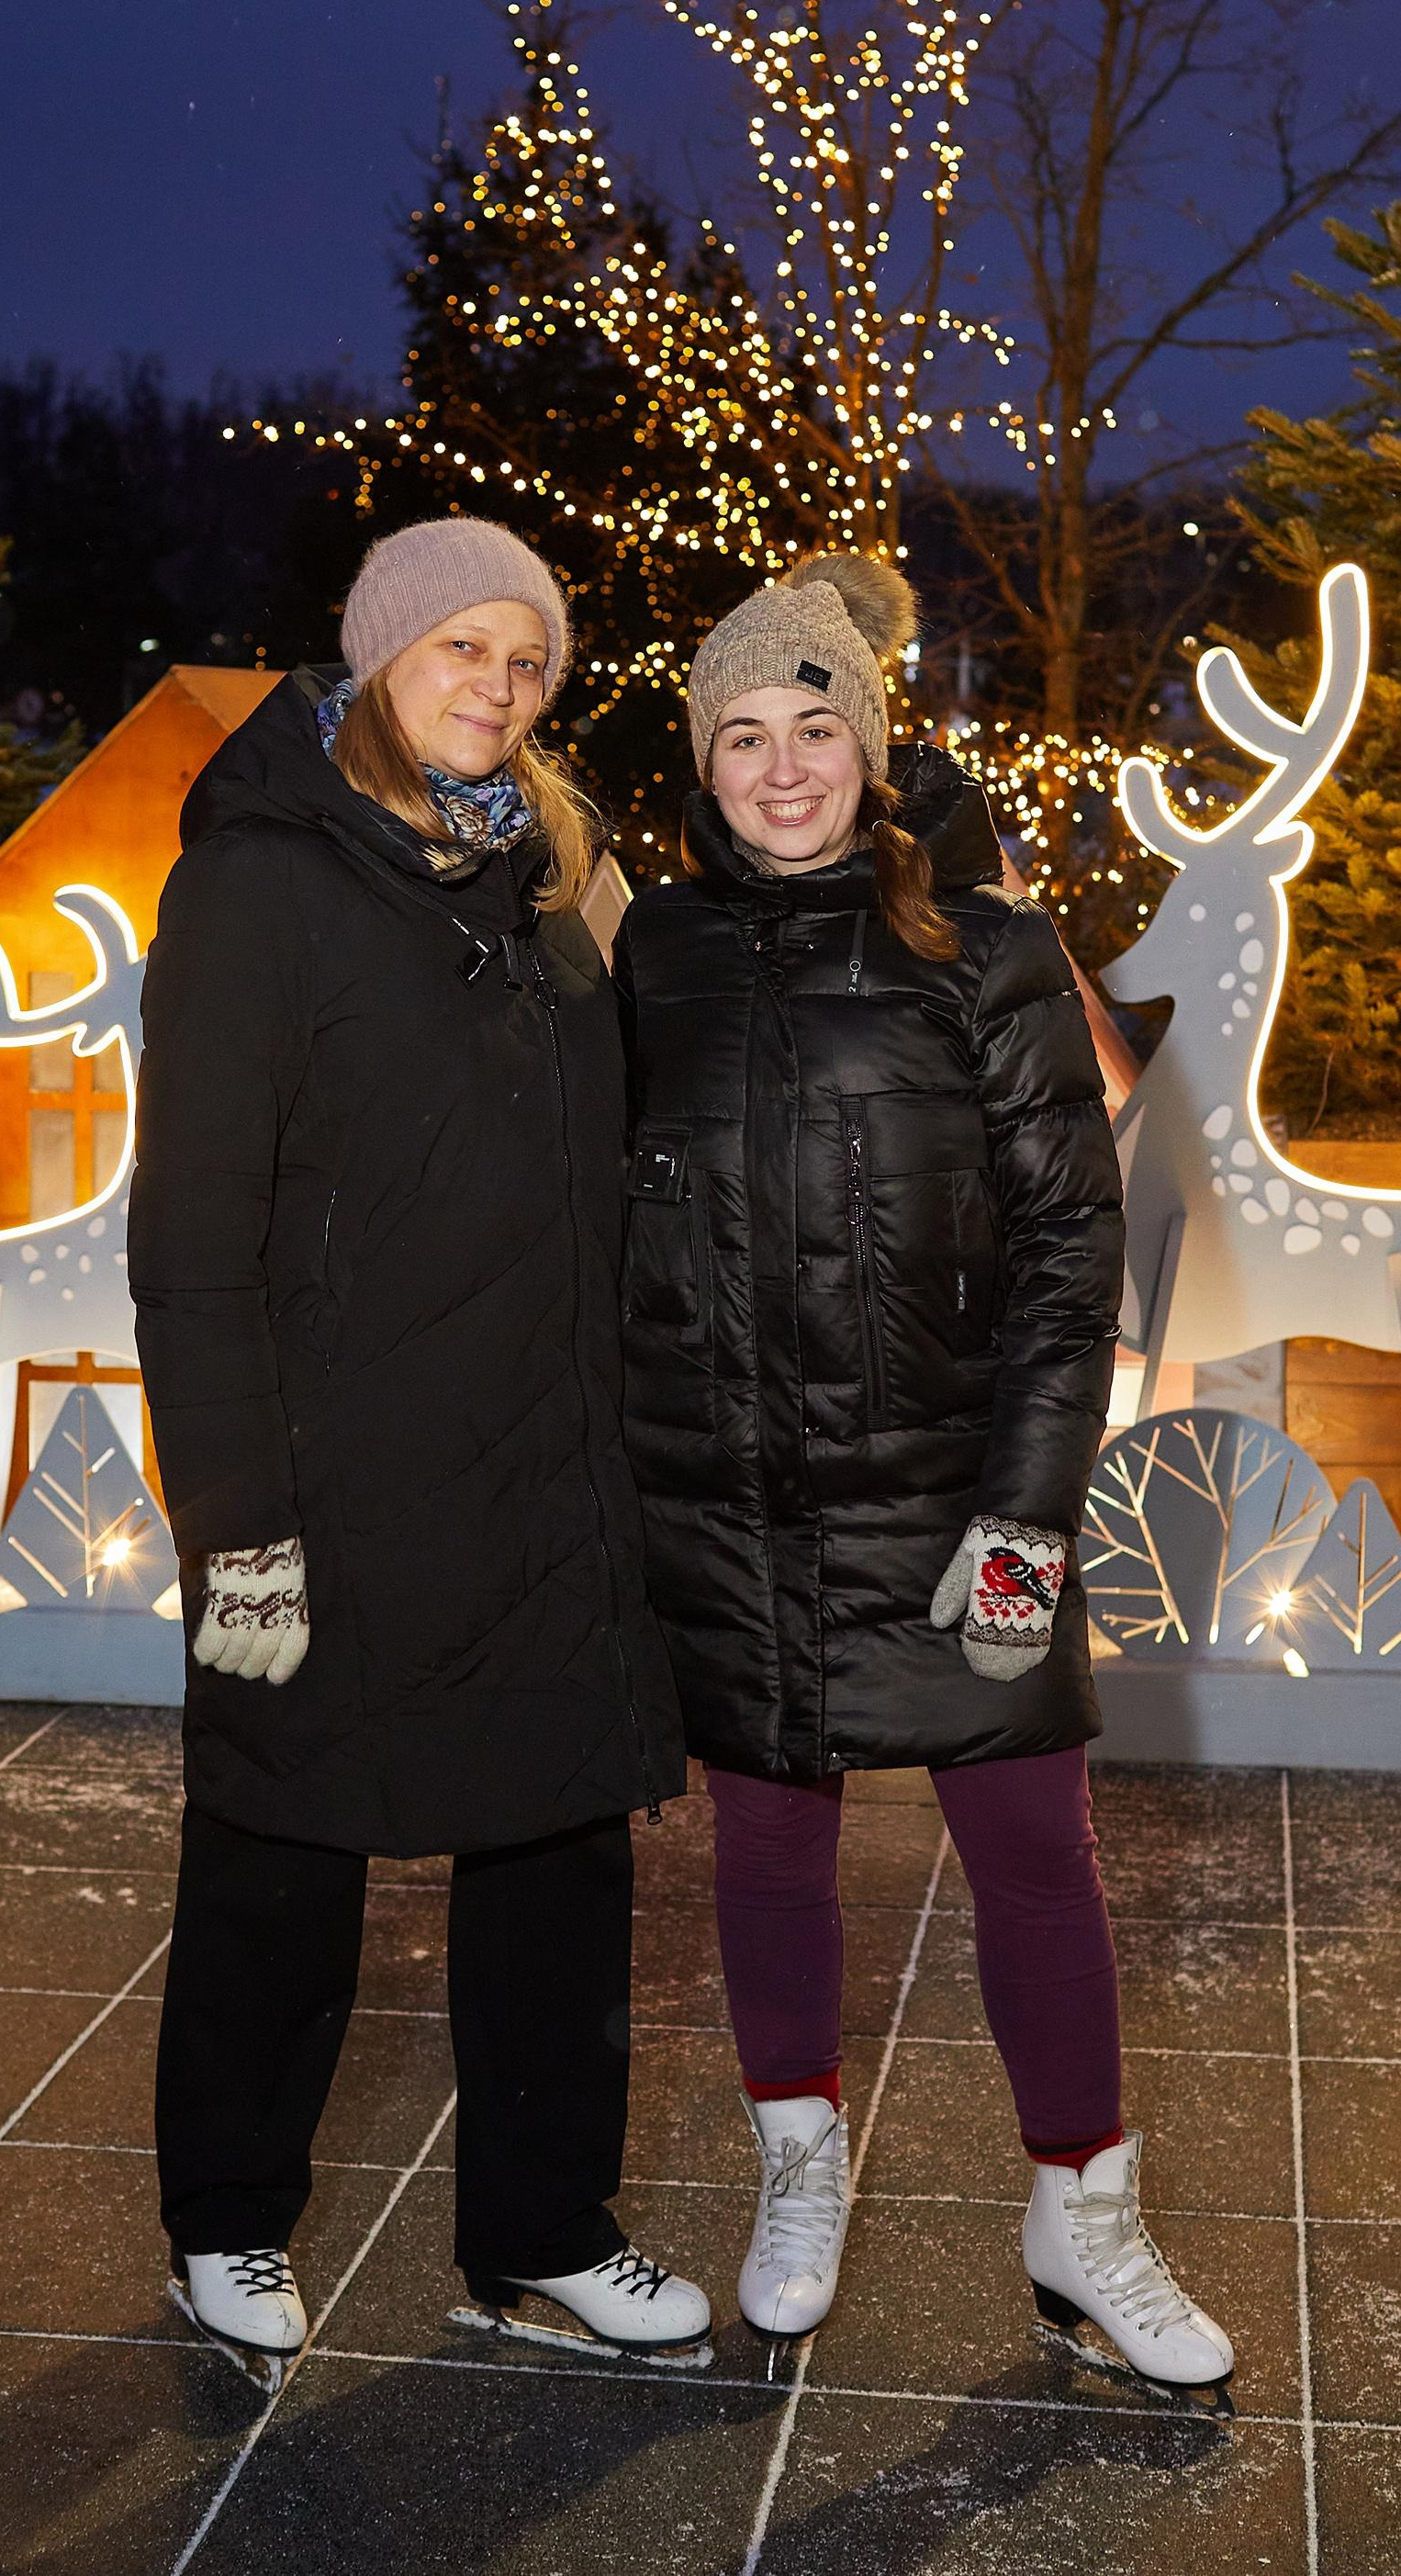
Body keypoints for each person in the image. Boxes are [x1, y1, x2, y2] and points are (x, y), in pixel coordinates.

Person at [611, 550, 1233, 2396]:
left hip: (962, 1498)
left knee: (1034, 1852)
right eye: (745, 734)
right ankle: (795, 2169)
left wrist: (1026, 1517)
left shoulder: (988, 946)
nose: (783, 766)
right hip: (728, 1503)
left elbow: (1066, 1259)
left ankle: (1084, 2217)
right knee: (770, 1845)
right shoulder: (651, 955)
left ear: (870, 751)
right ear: (703, 764)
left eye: (817, 727)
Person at [130, 518, 706, 2369]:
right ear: (377, 658)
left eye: (525, 661)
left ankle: (541, 2232)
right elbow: (192, 1242)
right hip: (323, 1478)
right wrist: (235, 1524)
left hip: (543, 1461)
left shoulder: (547, 882)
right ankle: (225, 2221)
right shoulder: (259, 884)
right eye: (460, 649)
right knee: (281, 1853)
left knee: (557, 1867)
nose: (496, 685)